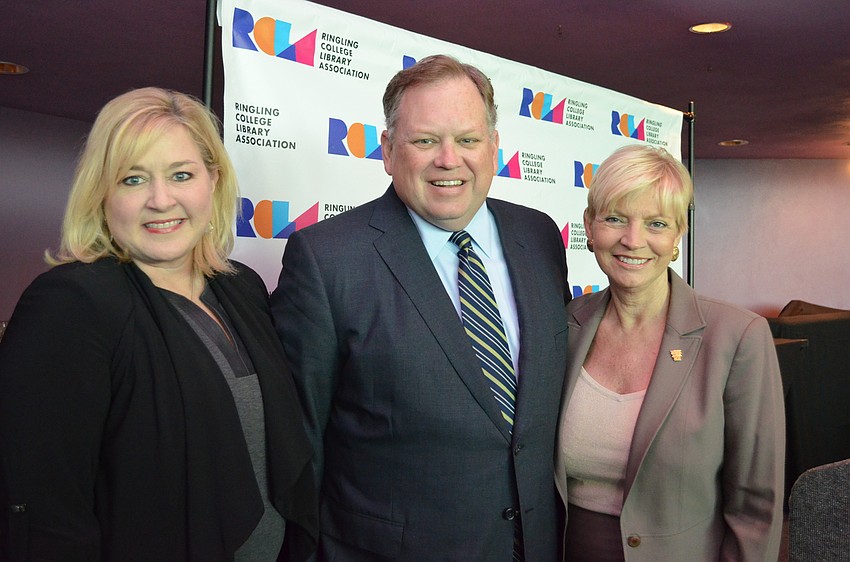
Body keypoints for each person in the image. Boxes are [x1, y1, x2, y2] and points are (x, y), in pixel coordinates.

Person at [270, 55, 570, 560]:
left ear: (495, 147)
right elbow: (299, 447)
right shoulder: (327, 260)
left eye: (468, 140)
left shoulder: (538, 236)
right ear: (387, 150)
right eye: (425, 140)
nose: (449, 159)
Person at [0, 87, 317, 561]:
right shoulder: (71, 305)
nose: (161, 199)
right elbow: (46, 509)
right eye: (132, 179)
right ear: (101, 192)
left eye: (181, 175)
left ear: (212, 180)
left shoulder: (242, 287)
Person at [555, 144, 785, 561]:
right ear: (589, 226)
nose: (633, 240)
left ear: (679, 235)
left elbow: (755, 505)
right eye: (615, 219)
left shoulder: (736, 337)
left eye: (656, 223)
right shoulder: (564, 324)